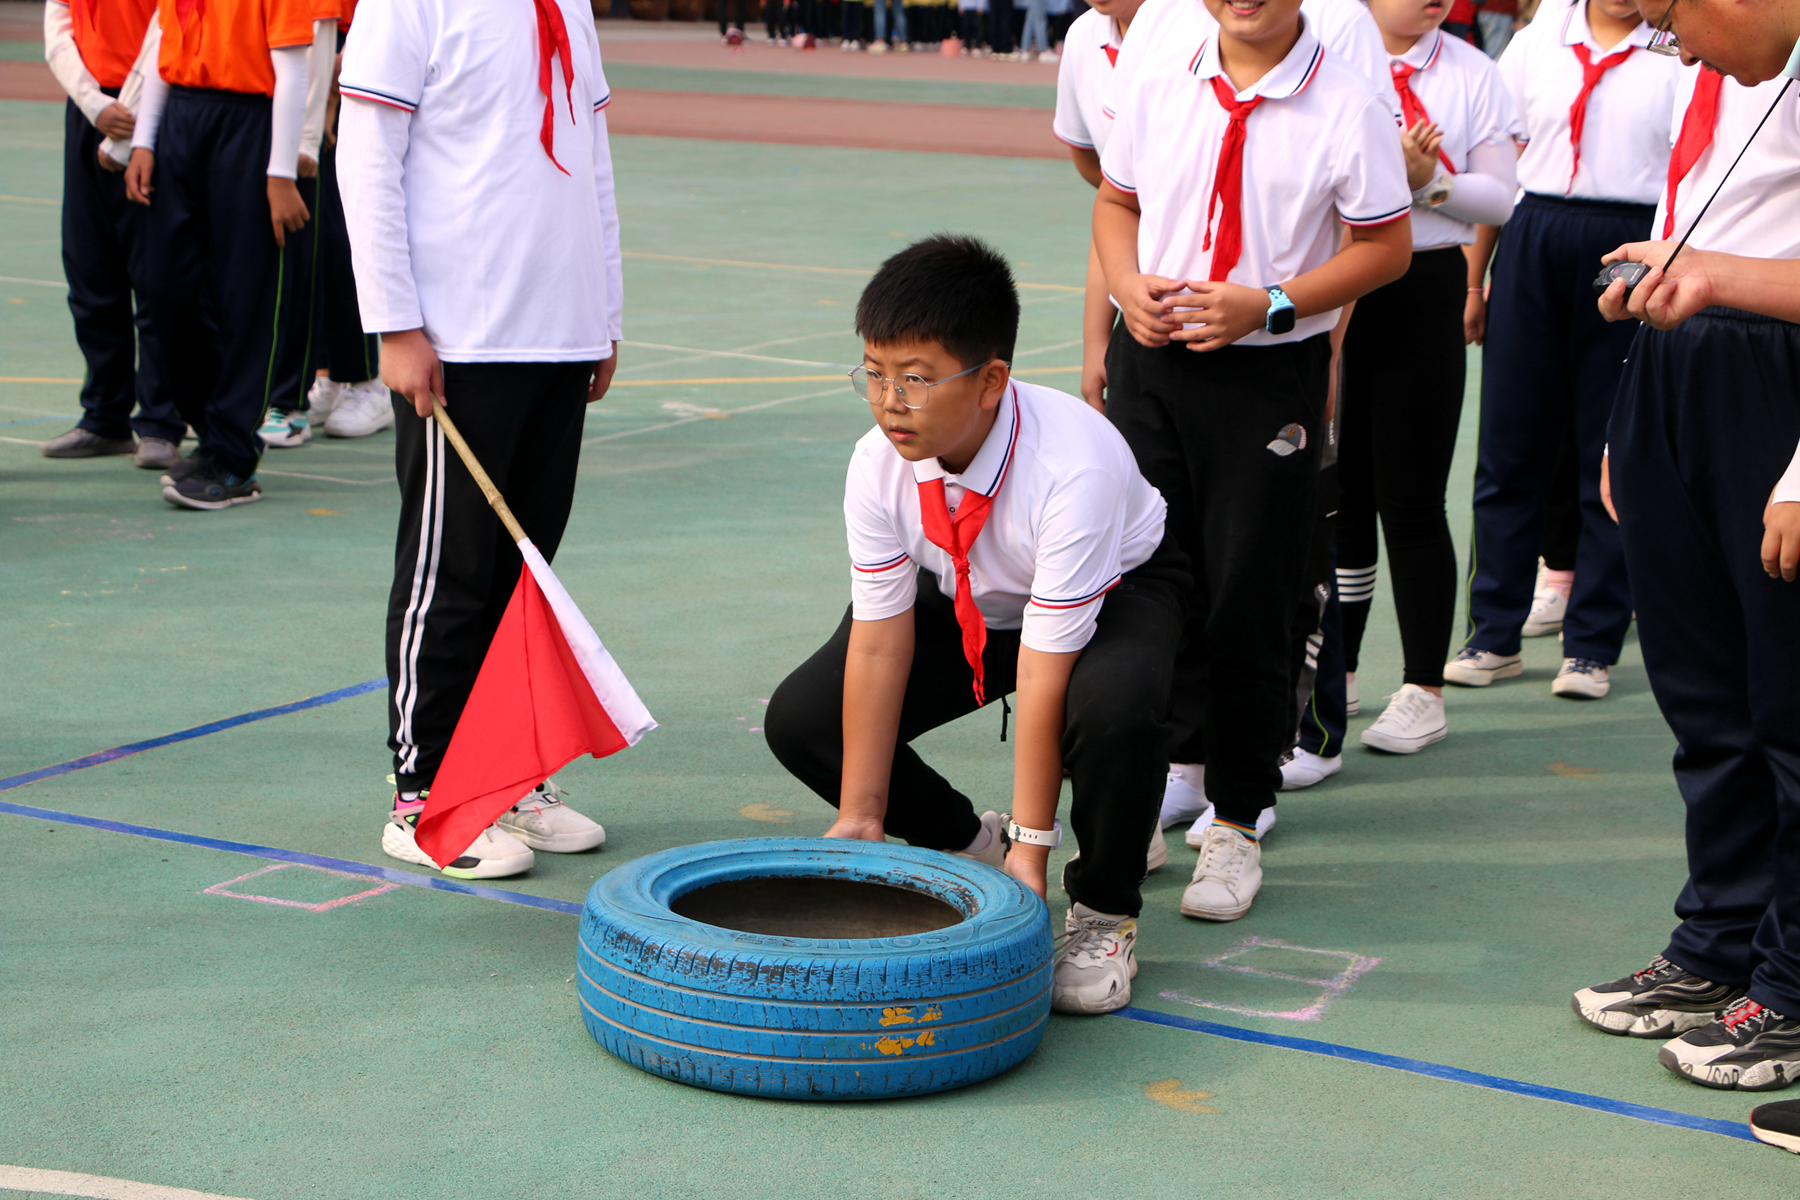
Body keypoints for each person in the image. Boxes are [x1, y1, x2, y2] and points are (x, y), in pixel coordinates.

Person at [763, 235, 1187, 1016]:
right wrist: (862, 814)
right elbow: (880, 641)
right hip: (971, 593)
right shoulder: (877, 462)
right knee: (804, 721)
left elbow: (1043, 674)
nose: (890, 401)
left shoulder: (1074, 466)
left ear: (991, 381)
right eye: (874, 373)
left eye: (916, 379)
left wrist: (1036, 848)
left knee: (1113, 711)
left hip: (1116, 590)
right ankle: (970, 845)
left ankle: (1104, 909)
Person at [1095, 0, 1412, 921]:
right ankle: (1139, 796)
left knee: (1250, 596)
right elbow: (1116, 203)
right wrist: (1126, 287)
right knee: (1141, 587)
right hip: (1151, 363)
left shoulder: (1347, 101)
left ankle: (1237, 819)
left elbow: (1386, 247)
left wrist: (1269, 303)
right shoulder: (1162, 76)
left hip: (1267, 373)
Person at [335, 0, 622, 879]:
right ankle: (423, 799)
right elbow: (366, 159)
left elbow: (594, 166)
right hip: (462, 337)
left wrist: (604, 313)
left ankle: (506, 778)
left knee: (524, 575)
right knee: (450, 576)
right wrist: (394, 322)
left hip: (559, 331)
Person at [1573, 4, 1800, 1094]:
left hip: (1776, 375)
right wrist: (1635, 418)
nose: (1676, 48)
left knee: (1790, 711)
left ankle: (1793, 987)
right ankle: (1722, 942)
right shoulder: (1728, 64)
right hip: (1681, 364)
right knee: (1704, 697)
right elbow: (1688, 214)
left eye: (1667, 20)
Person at [1448, 0, 1677, 698]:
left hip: (1627, 241)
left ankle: (1592, 643)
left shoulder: (1678, 50)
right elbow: (1501, 171)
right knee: (1509, 442)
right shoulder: (1536, 41)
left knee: (1607, 444)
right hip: (1534, 233)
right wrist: (1475, 279)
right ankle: (1493, 632)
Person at [1337, 0, 1520, 754]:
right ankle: (1338, 670)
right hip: (1335, 281)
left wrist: (1427, 181)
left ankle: (1423, 689)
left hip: (1425, 282)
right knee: (1339, 494)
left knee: (1410, 500)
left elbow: (1500, 196)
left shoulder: (1473, 73)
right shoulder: (1325, 57)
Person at [123, 0, 315, 510]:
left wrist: (280, 172)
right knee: (166, 288)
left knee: (246, 297)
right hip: (181, 120)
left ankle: (233, 457)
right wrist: (144, 140)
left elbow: (293, 71)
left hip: (247, 124)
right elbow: (163, 50)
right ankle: (213, 433)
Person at [41, 0, 184, 473]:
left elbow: (168, 25)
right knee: (90, 269)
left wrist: (129, 123)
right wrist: (91, 102)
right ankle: (105, 414)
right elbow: (59, 23)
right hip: (90, 108)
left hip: (152, 105)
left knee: (156, 276)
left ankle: (162, 421)